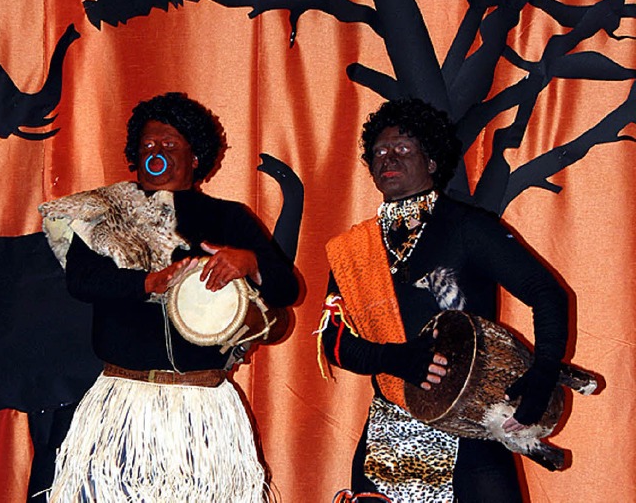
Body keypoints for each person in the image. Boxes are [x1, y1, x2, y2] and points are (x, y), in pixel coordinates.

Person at [39, 92, 299, 502]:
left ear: (195, 157)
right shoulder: (103, 213)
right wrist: (146, 283)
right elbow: (82, 281)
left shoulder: (228, 218)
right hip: (122, 404)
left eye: (169, 145)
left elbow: (287, 288)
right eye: (147, 146)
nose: (156, 153)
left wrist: (250, 260)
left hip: (203, 409)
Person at [317, 98, 568, 502]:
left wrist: (542, 374)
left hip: (472, 433)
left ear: (432, 162)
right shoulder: (353, 249)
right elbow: (332, 342)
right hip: (385, 440)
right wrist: (396, 360)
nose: (388, 157)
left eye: (403, 148)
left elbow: (546, 293)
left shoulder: (468, 227)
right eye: (379, 151)